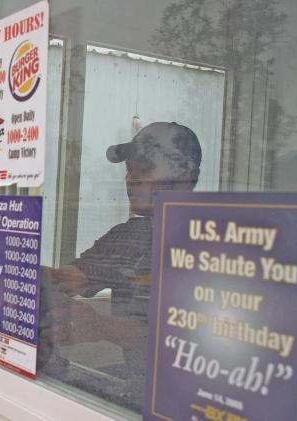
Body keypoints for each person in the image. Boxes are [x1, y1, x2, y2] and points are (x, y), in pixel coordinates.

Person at [37, 122, 202, 410]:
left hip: (194, 404)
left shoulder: (212, 243)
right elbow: (62, 280)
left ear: (187, 177)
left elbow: (195, 344)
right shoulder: (127, 236)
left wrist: (104, 326)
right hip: (135, 398)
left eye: (145, 168)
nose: (131, 179)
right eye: (130, 168)